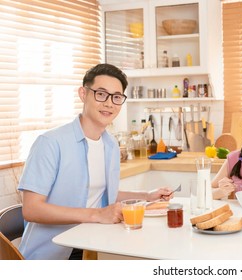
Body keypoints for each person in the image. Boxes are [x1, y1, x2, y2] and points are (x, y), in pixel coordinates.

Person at [17, 64, 173, 260]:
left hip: (94, 245)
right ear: (83, 94)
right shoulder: (50, 143)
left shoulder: (111, 146)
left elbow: (102, 194)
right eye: (101, 94)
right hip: (52, 255)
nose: (109, 103)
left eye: (116, 97)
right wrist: (97, 215)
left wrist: (147, 196)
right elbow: (31, 209)